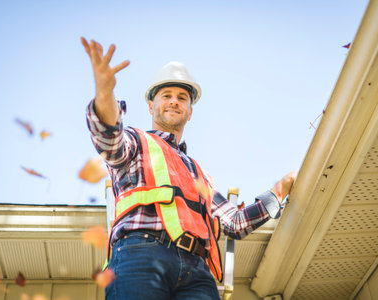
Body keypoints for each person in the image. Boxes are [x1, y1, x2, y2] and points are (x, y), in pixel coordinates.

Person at [81, 37, 298, 300]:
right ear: (151, 106)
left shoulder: (200, 175)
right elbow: (109, 140)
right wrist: (105, 93)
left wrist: (282, 187)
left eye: (182, 98)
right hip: (140, 252)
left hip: (197, 271)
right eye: (167, 96)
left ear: (190, 111)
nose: (174, 101)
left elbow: (235, 223)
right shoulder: (136, 142)